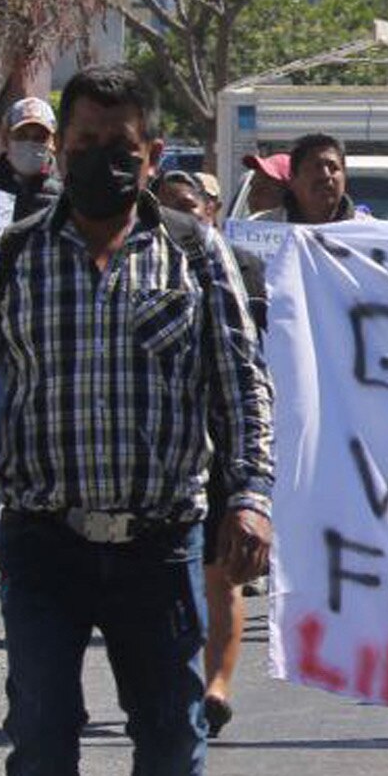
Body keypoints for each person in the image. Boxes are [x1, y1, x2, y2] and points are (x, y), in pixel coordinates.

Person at [0, 64, 275, 776]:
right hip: (43, 537)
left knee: (170, 738)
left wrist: (247, 495)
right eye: (82, 145)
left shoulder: (196, 256)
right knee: (41, 731)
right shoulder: (12, 256)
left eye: (119, 149)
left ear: (150, 152)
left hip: (159, 540)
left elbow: (239, 386)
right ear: (57, 150)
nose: (98, 162)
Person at [156, 167, 255, 739]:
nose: (179, 217)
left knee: (222, 578)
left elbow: (247, 370)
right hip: (164, 454)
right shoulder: (134, 263)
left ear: (212, 212)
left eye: (189, 206)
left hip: (220, 447)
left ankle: (216, 684)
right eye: (167, 206)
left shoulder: (240, 269)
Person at [0, 96, 61, 220]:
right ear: (5, 139)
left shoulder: (68, 192)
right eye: (21, 135)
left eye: (40, 137)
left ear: (52, 142)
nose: (30, 143)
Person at [279, 134, 360, 226]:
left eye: (333, 168)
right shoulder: (264, 227)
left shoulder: (369, 232)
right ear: (293, 179)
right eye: (316, 167)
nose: (325, 175)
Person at [242, 152, 291, 218]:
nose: (253, 196)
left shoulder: (297, 227)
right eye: (253, 185)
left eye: (263, 188)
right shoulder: (243, 224)